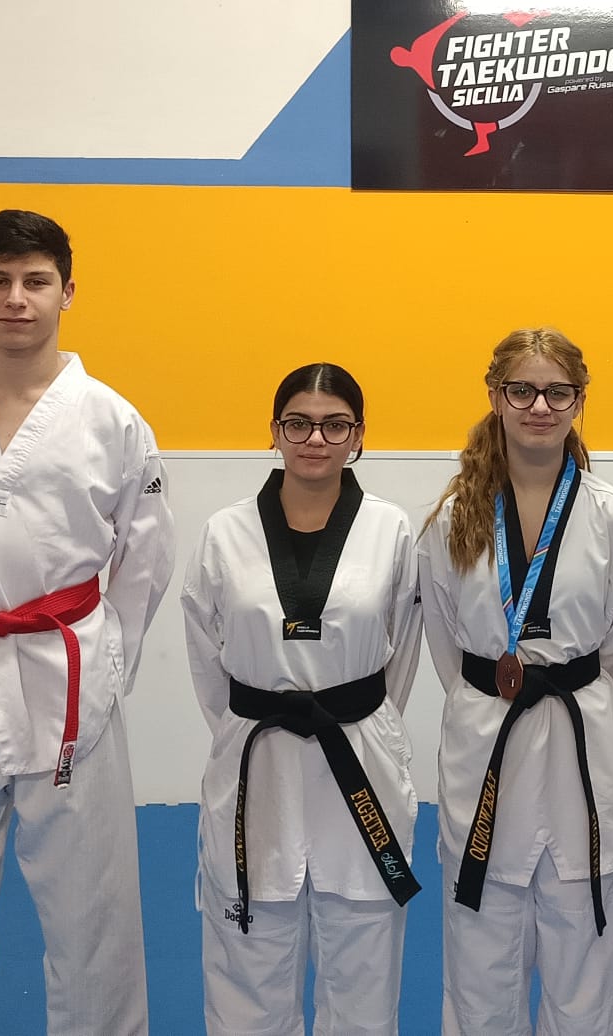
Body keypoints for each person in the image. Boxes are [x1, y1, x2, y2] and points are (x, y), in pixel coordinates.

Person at [0, 210, 174, 1036]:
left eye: (36, 281)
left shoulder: (113, 420)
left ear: (67, 292)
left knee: (92, 914)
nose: (16, 298)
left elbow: (146, 561)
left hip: (68, 680)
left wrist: (107, 664)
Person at [418, 329, 613, 1036]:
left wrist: (564, 687)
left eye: (556, 392)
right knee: (481, 961)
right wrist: (495, 689)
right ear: (495, 397)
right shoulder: (454, 516)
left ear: (580, 400)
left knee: (583, 961)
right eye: (522, 390)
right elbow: (446, 646)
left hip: (580, 738)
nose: (539, 407)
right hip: (487, 735)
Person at [183, 363, 424, 1036]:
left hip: (359, 752)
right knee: (249, 960)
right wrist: (252, 720)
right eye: (299, 423)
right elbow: (206, 654)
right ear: (274, 431)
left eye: (334, 425)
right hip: (257, 756)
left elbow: (402, 650)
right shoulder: (225, 531)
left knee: (363, 961)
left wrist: (362, 717)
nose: (315, 439)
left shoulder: (390, 529)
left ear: (359, 436)